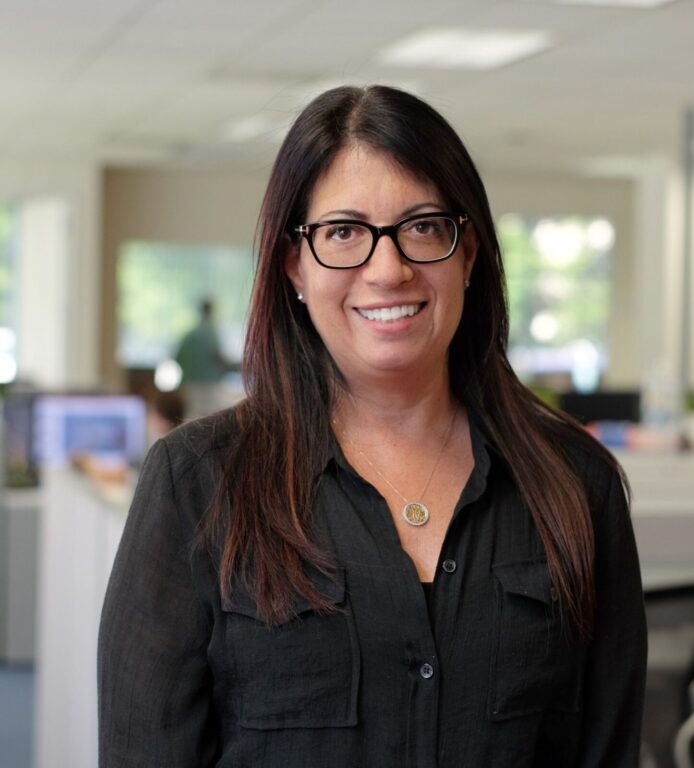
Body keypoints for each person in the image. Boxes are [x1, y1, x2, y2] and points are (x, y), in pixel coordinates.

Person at [98, 85, 647, 767]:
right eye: (343, 233)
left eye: (422, 226)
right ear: (294, 264)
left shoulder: (575, 484)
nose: (388, 269)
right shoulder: (197, 483)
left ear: (467, 253)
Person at [175, 298, 226, 418]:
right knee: (210, 421)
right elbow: (218, 357)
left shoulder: (189, 335)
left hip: (189, 385)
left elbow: (177, 357)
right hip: (208, 386)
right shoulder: (212, 332)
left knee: (191, 419)